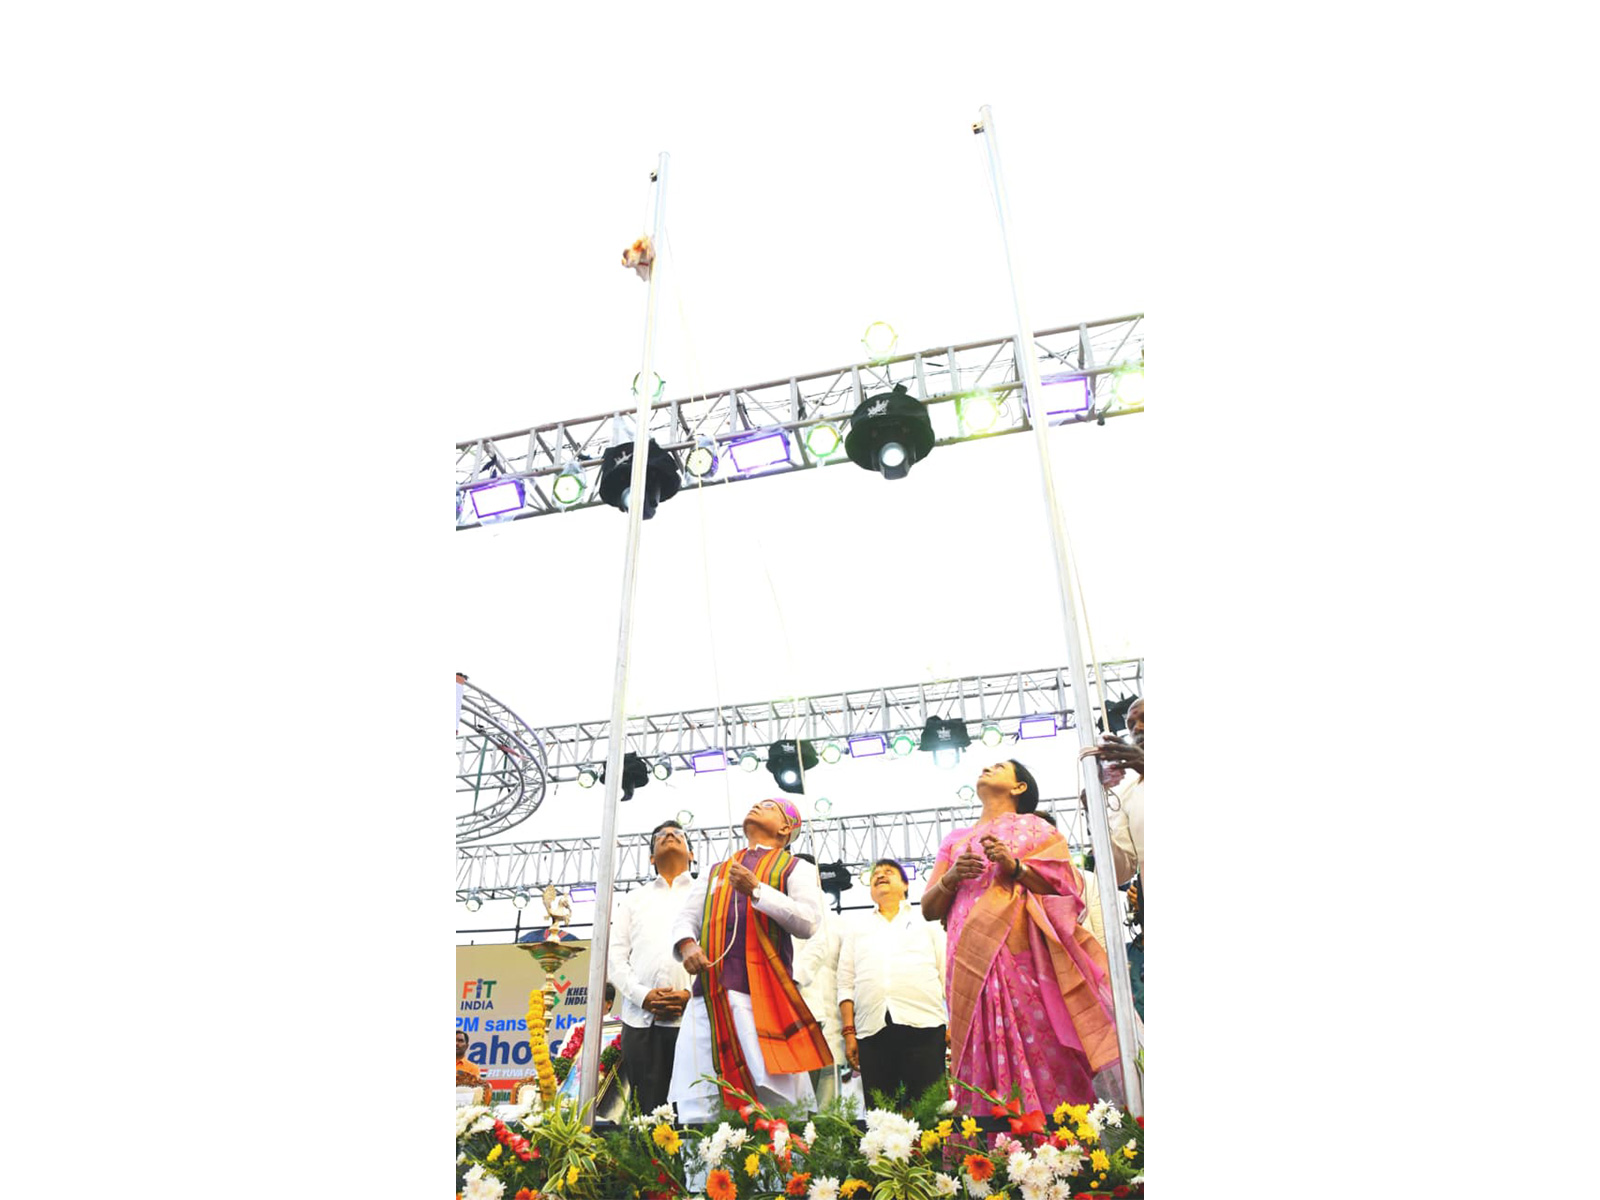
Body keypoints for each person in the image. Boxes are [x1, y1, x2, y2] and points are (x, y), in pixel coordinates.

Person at [921, 760, 1117, 1114]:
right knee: (978, 1045)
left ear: (1019, 787)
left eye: (999, 767)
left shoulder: (1038, 829)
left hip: (1024, 963)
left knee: (1042, 1046)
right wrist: (951, 878)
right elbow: (929, 908)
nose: (986, 768)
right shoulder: (955, 840)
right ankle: (988, 1151)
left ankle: (1059, 1146)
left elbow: (1065, 888)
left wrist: (1015, 867)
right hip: (969, 963)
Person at [667, 798, 832, 1121]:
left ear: (786, 829)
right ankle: (704, 1172)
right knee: (700, 1101)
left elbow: (809, 922)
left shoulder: (797, 868)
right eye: (757, 803)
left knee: (772, 1102)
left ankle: (777, 1171)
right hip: (707, 1001)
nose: (757, 807)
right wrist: (687, 945)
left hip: (761, 998)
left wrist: (758, 890)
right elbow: (684, 919)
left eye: (769, 806)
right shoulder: (717, 871)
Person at [837, 858, 947, 1108]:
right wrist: (849, 1033)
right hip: (871, 1031)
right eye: (876, 874)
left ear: (906, 884)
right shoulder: (856, 928)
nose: (880, 876)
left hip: (925, 1026)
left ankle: (933, 1149)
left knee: (930, 1112)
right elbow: (845, 983)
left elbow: (947, 973)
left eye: (889, 872)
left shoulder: (926, 920)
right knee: (880, 1114)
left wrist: (952, 1025)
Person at [609, 819, 696, 1113]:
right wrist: (642, 995)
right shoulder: (633, 900)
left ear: (691, 853)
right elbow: (615, 959)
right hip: (640, 1020)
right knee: (647, 1114)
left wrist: (691, 995)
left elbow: (721, 953)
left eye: (678, 835)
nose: (669, 836)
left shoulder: (706, 893)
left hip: (695, 1018)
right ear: (650, 858)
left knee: (694, 1111)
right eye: (661, 835)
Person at [1081, 697, 1144, 1015]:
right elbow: (1120, 871)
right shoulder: (1129, 789)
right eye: (1132, 724)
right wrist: (1095, 813)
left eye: (1146, 719)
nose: (1138, 728)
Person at [792, 854, 858, 1109]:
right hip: (791, 1023)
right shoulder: (776, 916)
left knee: (828, 1113)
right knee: (791, 1112)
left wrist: (851, 1032)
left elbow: (849, 981)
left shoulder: (841, 925)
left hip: (830, 1029)